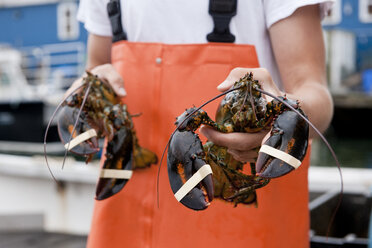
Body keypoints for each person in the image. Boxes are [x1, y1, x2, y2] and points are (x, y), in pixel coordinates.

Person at [71, 0, 334, 247]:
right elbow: (96, 66)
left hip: (247, 216)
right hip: (125, 210)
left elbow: (314, 93)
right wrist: (81, 102)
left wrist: (280, 116)